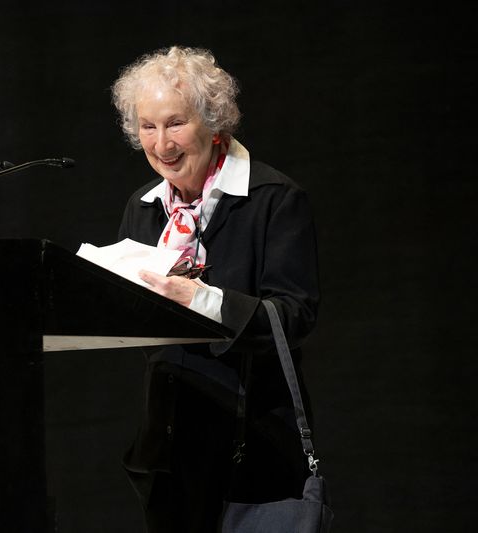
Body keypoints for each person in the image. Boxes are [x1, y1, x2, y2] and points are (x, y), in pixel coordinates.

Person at [111, 46, 320, 532]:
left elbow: (295, 316)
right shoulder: (142, 210)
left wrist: (200, 300)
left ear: (213, 122)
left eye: (176, 123)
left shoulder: (274, 200)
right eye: (147, 126)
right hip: (166, 454)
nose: (161, 143)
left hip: (253, 448)